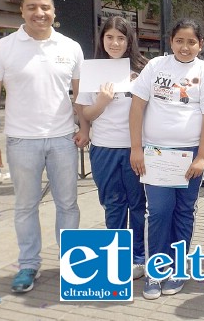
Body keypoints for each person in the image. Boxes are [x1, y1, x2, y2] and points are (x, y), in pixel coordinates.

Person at [0, 0, 89, 293]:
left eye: (45, 7)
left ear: (54, 12)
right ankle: (28, 265)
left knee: (68, 205)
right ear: (22, 11)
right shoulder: (1, 50)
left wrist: (84, 127)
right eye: (32, 7)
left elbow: (79, 95)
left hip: (62, 140)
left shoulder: (71, 47)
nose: (39, 13)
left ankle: (72, 265)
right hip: (20, 141)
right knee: (25, 206)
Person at [129, 18, 204, 300]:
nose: (185, 47)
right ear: (171, 42)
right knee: (157, 211)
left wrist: (202, 156)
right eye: (179, 41)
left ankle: (178, 268)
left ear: (201, 44)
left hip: (190, 154)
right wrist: (136, 148)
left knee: (184, 211)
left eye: (191, 41)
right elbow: (137, 107)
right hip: (155, 153)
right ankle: (156, 270)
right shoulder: (156, 66)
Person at [75, 16, 148, 280]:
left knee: (137, 204)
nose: (115, 43)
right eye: (109, 37)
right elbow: (87, 114)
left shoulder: (142, 70)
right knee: (113, 204)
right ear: (102, 39)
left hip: (134, 149)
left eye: (121, 37)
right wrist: (103, 101)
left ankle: (139, 257)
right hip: (104, 149)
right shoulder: (92, 70)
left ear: (129, 41)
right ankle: (117, 255)